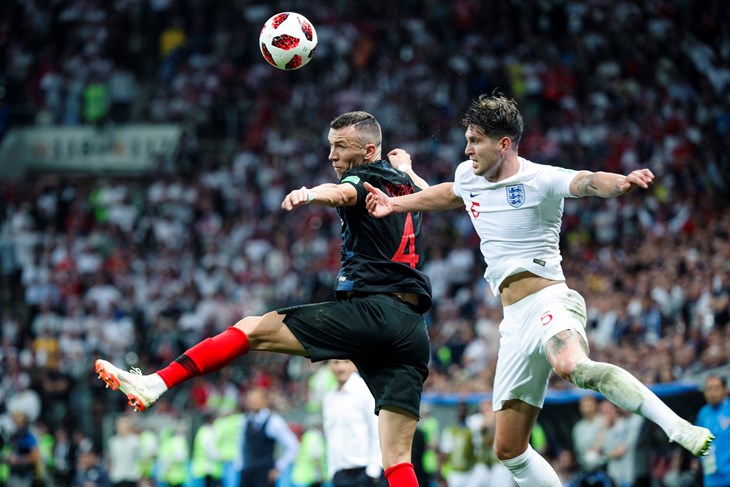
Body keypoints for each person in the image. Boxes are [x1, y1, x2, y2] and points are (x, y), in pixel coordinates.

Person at [364, 92, 714, 487]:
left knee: (571, 366)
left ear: (504, 143)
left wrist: (620, 183)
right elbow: (447, 193)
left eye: (475, 140)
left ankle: (676, 425)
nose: (467, 149)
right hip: (513, 322)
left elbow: (586, 182)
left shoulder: (539, 178)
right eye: (466, 139)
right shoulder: (469, 175)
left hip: (550, 300)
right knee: (509, 450)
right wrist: (397, 204)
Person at [94, 110, 433, 487]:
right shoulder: (407, 185)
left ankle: (156, 383)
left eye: (340, 147)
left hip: (374, 311)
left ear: (369, 151)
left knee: (252, 329)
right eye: (330, 146)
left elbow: (343, 191)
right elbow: (430, 192)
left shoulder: (363, 179)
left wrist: (309, 194)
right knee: (398, 460)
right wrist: (408, 167)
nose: (331, 156)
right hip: (412, 329)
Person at [323, 359, 384, 487]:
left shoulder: (366, 391)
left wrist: (373, 472)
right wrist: (332, 471)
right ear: (329, 364)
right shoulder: (329, 397)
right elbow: (330, 435)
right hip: (339, 474)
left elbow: (378, 430)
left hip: (365, 472)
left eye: (346, 361)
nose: (341, 367)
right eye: (336, 362)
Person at [239, 387, 299, 487]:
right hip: (247, 473)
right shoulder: (246, 420)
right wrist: (241, 467)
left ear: (265, 400)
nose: (252, 402)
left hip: (264, 475)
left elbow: (293, 445)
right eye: (250, 399)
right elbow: (241, 446)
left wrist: (279, 467)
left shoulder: (273, 421)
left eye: (256, 398)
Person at [696, 375, 730, 487]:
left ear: (725, 390)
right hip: (711, 477)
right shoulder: (703, 413)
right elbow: (697, 440)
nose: (712, 393)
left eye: (716, 388)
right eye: (709, 389)